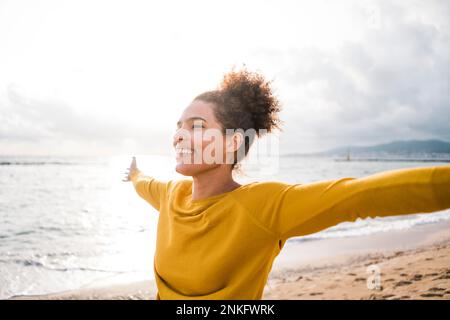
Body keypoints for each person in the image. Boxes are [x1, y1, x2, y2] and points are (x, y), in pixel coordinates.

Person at [122, 67, 450, 300]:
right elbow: (143, 183)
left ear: (233, 143)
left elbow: (358, 197)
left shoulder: (264, 207)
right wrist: (134, 173)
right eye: (179, 126)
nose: (179, 134)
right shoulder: (170, 195)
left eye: (196, 125)